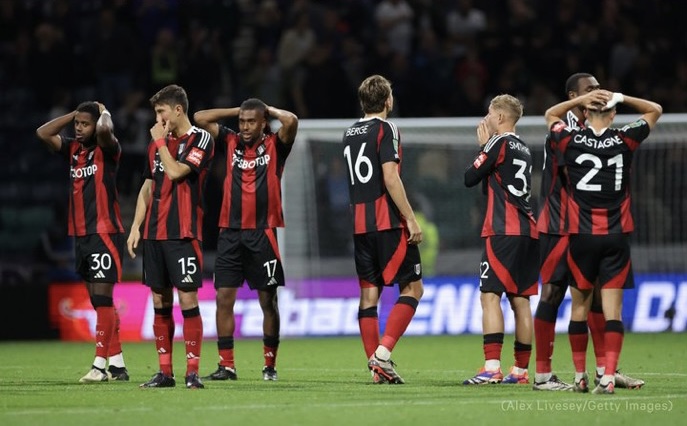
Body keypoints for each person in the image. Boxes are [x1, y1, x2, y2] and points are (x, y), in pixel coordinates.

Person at [544, 90, 662, 394]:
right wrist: (620, 96)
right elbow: (655, 109)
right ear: (612, 115)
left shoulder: (571, 140)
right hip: (616, 237)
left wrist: (578, 102)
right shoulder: (625, 139)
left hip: (581, 237)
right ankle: (608, 376)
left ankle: (580, 376)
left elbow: (551, 115)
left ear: (586, 113)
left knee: (579, 308)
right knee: (612, 311)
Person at [193, 99, 298, 382]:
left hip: (263, 233)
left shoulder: (277, 144)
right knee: (223, 298)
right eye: (242, 122)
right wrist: (236, 111)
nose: (246, 127)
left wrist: (268, 110)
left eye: (252, 121)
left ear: (263, 122)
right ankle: (226, 366)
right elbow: (200, 117)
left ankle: (269, 366)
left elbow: (291, 121)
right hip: (229, 232)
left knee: (268, 300)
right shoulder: (229, 141)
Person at [127, 84, 214, 389]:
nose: (157, 118)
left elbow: (177, 172)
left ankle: (192, 371)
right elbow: (148, 186)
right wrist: (136, 226)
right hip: (154, 234)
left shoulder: (201, 138)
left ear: (178, 109)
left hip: (183, 233)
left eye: (161, 111)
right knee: (160, 302)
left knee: (188, 300)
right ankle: (165, 372)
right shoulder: (156, 145)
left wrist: (161, 142)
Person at [36, 101, 129, 383]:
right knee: (98, 300)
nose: (79, 129)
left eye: (84, 124)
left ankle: (99, 366)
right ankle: (118, 365)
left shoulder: (108, 149)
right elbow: (42, 133)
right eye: (78, 124)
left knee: (102, 299)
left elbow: (104, 130)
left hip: (104, 232)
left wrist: (105, 113)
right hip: (81, 233)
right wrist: (72, 115)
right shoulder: (73, 150)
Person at [342, 75, 424, 385]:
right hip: (387, 222)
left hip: (360, 226)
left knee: (368, 295)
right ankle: (383, 354)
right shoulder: (386, 128)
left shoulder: (349, 132)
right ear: (388, 101)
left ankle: (375, 367)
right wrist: (411, 219)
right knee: (413, 288)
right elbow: (390, 177)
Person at [462, 94, 538, 385]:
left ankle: (492, 367)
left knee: (489, 295)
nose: (486, 120)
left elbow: (470, 178)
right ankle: (520, 371)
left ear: (502, 118)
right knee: (521, 300)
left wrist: (482, 147)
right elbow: (490, 186)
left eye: (490, 115)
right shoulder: (525, 148)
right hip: (528, 230)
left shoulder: (499, 142)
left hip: (502, 230)